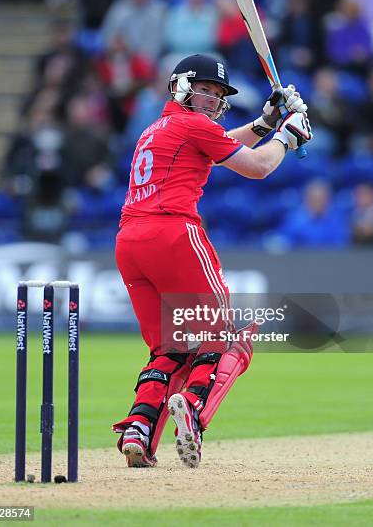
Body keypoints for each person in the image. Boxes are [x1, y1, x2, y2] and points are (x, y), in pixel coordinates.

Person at [112, 53, 312, 468]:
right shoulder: (194, 125)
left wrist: (264, 124)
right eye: (205, 89)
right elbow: (257, 168)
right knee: (224, 339)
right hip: (174, 234)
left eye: (218, 94)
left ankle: (140, 429)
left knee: (168, 347)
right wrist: (286, 137)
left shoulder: (158, 127)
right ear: (182, 85)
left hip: (130, 243)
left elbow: (214, 147)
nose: (212, 99)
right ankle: (195, 408)